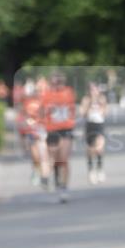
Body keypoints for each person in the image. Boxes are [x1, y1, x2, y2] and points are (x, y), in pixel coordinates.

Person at [42, 71, 77, 203]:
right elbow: (44, 110)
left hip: (66, 128)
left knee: (64, 158)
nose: (57, 84)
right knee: (55, 158)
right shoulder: (46, 94)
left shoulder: (68, 92)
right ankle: (56, 178)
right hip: (51, 129)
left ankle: (64, 187)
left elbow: (70, 107)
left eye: (59, 81)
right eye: (54, 81)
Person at [80, 84, 108, 183]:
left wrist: (101, 105)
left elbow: (105, 112)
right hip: (90, 126)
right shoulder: (86, 99)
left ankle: (100, 169)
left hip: (99, 125)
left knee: (99, 149)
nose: (94, 92)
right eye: (92, 90)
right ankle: (91, 171)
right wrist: (89, 105)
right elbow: (82, 113)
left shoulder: (102, 99)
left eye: (95, 90)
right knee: (91, 150)